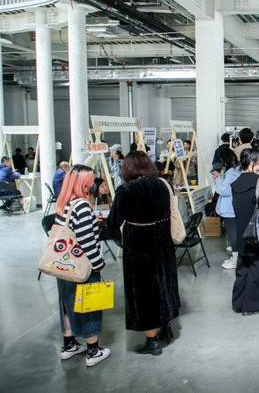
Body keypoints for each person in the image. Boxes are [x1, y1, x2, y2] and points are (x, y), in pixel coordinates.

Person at [107, 151, 180, 355]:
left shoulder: (125, 190)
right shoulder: (162, 185)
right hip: (162, 242)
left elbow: (113, 222)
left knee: (144, 291)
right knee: (163, 284)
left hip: (139, 245)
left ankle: (152, 341)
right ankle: (165, 328)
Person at [53, 165, 110, 367]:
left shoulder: (64, 202)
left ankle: (69, 345)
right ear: (84, 183)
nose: (93, 184)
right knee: (89, 305)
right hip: (82, 267)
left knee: (67, 305)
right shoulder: (82, 206)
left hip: (63, 264)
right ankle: (93, 350)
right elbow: (87, 243)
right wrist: (98, 264)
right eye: (91, 180)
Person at [231, 149, 259, 314]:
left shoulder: (236, 183)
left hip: (241, 230)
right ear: (252, 162)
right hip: (257, 232)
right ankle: (253, 305)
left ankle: (238, 303)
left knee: (243, 268)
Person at [214, 149, 241, 270]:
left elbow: (223, 190)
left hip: (229, 208)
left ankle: (235, 260)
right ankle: (236, 257)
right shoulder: (237, 170)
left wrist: (218, 178)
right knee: (235, 234)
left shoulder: (231, 173)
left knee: (233, 235)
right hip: (234, 206)